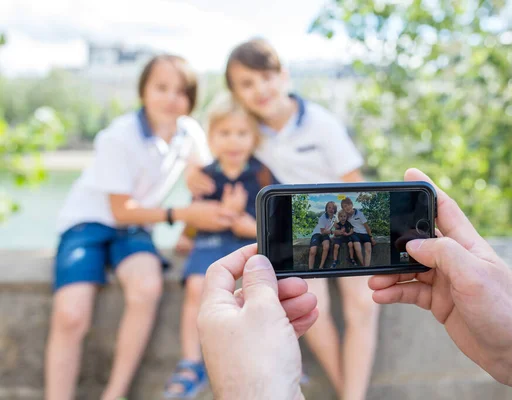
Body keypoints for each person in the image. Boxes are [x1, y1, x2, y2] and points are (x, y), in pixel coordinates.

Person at [196, 168, 512, 400]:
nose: (343, 207)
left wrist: (251, 392)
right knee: (330, 246)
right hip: (330, 241)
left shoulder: (353, 216)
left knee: (356, 245)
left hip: (351, 240)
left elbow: (362, 231)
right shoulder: (326, 217)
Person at [186, 38, 380, 399]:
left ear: (283, 76)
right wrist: (191, 170)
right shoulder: (250, 134)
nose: (259, 89)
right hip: (304, 236)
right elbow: (220, 150)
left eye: (266, 77)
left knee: (363, 304)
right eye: (246, 83)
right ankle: (348, 393)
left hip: (345, 221)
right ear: (236, 93)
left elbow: (356, 184)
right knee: (312, 304)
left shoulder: (320, 123)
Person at [44, 55, 224, 400]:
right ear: (143, 91)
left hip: (135, 228)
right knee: (70, 313)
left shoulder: (189, 132)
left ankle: (114, 394)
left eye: (181, 91)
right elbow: (120, 210)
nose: (171, 98)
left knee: (146, 288)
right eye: (161, 88)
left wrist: (190, 230)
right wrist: (181, 215)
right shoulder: (119, 135)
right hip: (88, 224)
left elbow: (204, 182)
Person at [163, 94, 277, 398]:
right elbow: (197, 209)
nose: (233, 141)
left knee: (260, 289)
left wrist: (244, 221)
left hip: (247, 242)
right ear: (211, 137)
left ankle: (273, 351)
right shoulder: (206, 176)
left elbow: (275, 221)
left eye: (241, 133)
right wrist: (188, 233)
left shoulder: (262, 174)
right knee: (196, 287)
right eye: (224, 133)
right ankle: (190, 362)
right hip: (210, 242)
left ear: (253, 138)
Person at [341, 197, 376, 267]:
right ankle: (364, 267)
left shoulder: (359, 214)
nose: (347, 207)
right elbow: (340, 221)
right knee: (357, 249)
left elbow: (367, 227)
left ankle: (367, 267)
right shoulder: (346, 216)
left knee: (368, 250)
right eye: (345, 206)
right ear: (343, 209)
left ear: (352, 204)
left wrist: (371, 237)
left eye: (348, 205)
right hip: (355, 234)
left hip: (365, 233)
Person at [308, 201, 337, 270]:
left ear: (335, 210)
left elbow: (337, 226)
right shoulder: (322, 217)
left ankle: (321, 267)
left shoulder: (334, 217)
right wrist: (332, 232)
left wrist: (335, 235)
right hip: (317, 233)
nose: (331, 209)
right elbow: (322, 231)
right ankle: (310, 269)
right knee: (313, 251)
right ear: (326, 209)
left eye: (333, 208)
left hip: (325, 234)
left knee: (326, 247)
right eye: (329, 207)